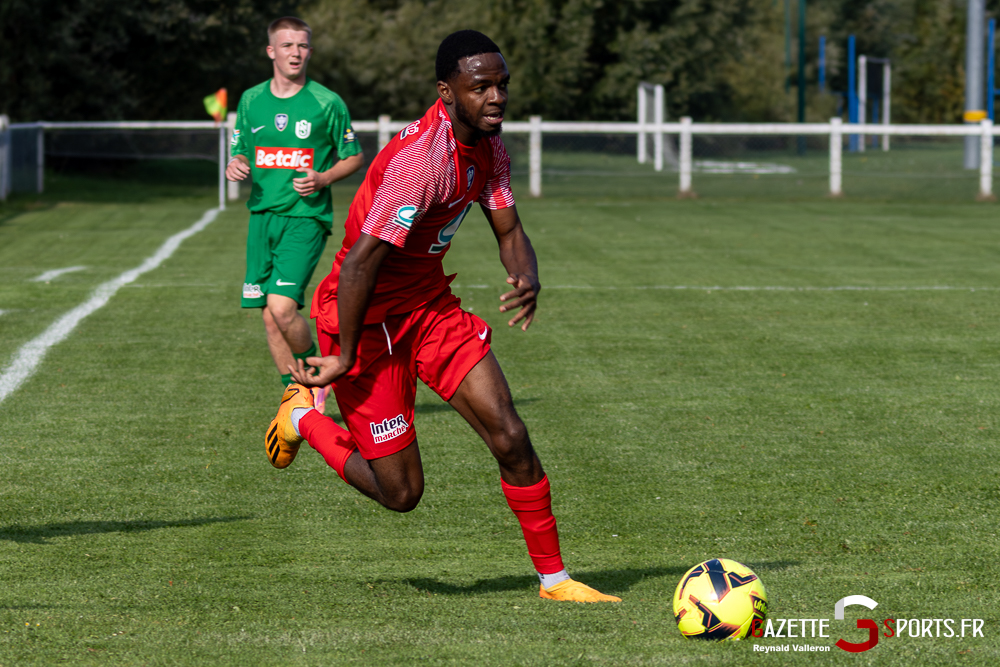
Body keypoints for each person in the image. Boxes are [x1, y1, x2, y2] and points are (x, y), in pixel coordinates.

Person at [266, 30, 620, 603]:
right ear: (447, 92)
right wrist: (348, 353)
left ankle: (555, 581)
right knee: (401, 493)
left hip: (430, 308)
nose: (496, 98)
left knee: (510, 433)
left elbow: (509, 230)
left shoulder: (490, 146)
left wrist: (526, 273)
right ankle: (304, 416)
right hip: (364, 317)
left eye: (502, 85)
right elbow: (358, 267)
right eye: (481, 87)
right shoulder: (421, 163)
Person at [227, 16, 364, 406]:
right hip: (261, 217)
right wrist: (234, 163)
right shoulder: (251, 100)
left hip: (306, 218)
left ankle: (316, 377)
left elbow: (353, 157)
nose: (296, 53)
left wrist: (322, 178)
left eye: (303, 46)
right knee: (270, 317)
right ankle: (299, 395)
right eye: (287, 45)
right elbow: (240, 150)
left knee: (282, 307)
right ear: (271, 51)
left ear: (310, 51)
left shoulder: (326, 102)